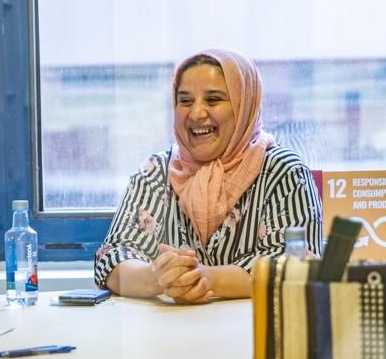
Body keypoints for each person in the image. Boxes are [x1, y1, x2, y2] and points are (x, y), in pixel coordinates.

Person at [95, 48, 322, 303]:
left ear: (244, 104)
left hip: (253, 334)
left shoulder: (284, 172)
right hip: (168, 333)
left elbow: (299, 265)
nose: (196, 114)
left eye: (213, 100)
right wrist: (158, 277)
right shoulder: (157, 171)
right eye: (185, 101)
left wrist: (204, 279)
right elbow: (111, 258)